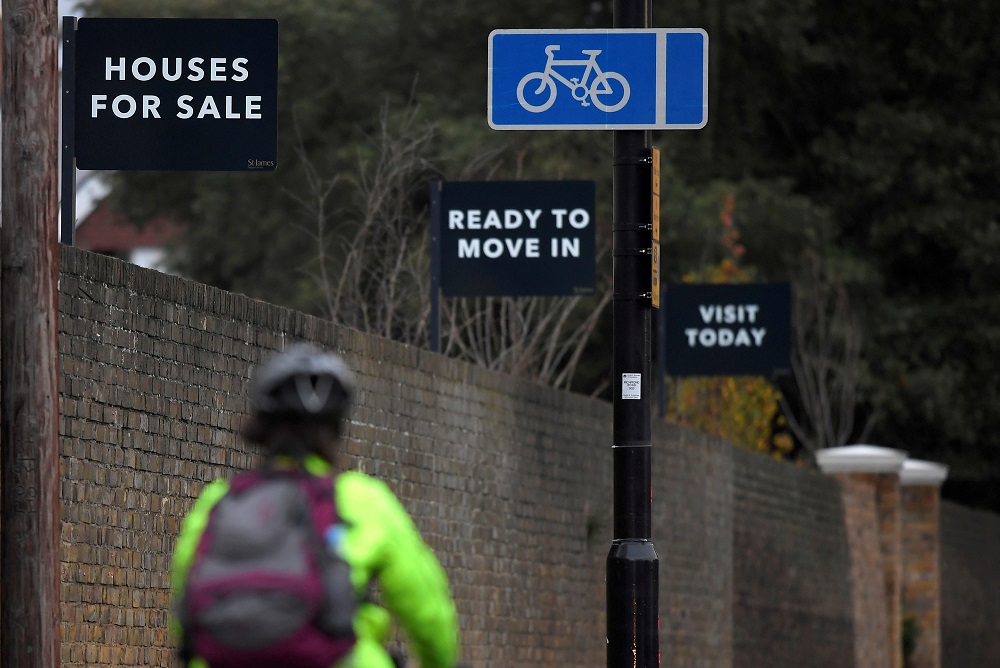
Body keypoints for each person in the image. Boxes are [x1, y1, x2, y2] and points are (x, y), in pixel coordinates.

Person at [169, 343, 460, 668]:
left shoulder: (220, 500)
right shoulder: (362, 498)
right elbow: (427, 610)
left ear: (262, 426)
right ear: (336, 428)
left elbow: (185, 606)